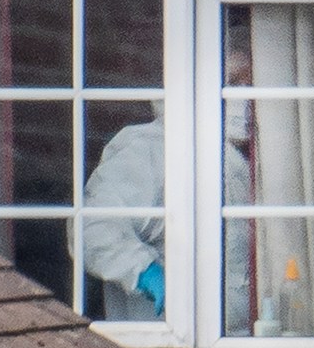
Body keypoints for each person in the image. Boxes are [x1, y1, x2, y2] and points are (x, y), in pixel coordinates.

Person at [80, 40, 253, 329]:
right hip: (165, 345)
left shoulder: (264, 160)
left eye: (252, 84)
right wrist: (146, 273)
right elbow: (93, 226)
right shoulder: (154, 149)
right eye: (233, 83)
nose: (244, 97)